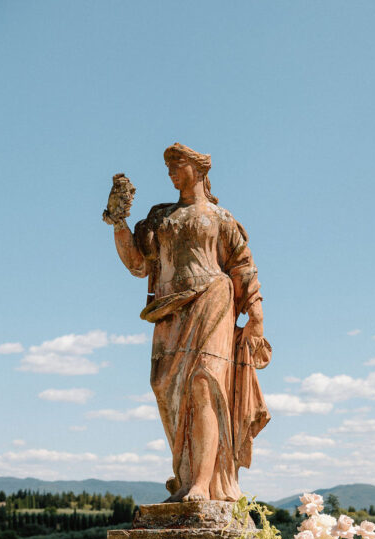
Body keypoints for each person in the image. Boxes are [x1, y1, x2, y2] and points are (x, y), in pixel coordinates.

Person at [106, 143, 271, 502]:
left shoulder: (220, 218)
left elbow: (243, 266)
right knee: (165, 387)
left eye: (177, 165)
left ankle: (202, 483)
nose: (171, 173)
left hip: (213, 299)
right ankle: (185, 478)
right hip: (170, 308)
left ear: (199, 170)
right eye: (168, 167)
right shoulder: (159, 217)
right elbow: (137, 264)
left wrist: (256, 316)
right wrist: (118, 222)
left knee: (203, 383)